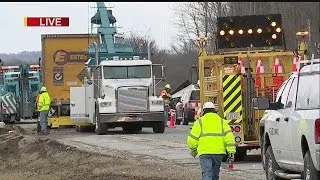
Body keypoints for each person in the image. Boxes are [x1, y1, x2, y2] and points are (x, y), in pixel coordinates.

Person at [187, 102, 236, 180]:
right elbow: (229, 138)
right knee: (215, 175)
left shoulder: (199, 122)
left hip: (204, 153)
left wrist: (193, 149)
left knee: (207, 174)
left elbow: (192, 140)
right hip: (218, 153)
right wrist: (231, 152)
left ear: (204, 111)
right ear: (214, 110)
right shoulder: (222, 122)